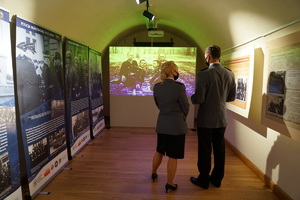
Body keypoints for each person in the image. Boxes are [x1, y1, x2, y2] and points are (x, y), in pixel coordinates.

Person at [190, 45, 236, 189]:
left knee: (204, 150)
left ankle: (203, 180)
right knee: (220, 150)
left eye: (205, 56)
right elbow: (231, 97)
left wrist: (192, 97)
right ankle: (216, 179)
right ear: (219, 56)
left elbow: (199, 99)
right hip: (221, 119)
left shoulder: (203, 74)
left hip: (205, 120)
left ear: (208, 57)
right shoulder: (229, 73)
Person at [151, 61, 190, 193]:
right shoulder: (179, 87)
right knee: (173, 156)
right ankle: (169, 183)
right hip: (177, 126)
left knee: (159, 151)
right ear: (173, 71)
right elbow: (185, 106)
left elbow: (158, 105)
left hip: (162, 124)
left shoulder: (157, 87)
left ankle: (153, 173)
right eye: (177, 69)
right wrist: (182, 116)